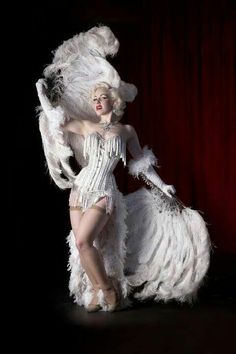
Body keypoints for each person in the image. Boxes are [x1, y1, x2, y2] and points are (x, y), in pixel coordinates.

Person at [36, 25, 210, 313]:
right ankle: (95, 291)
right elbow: (57, 119)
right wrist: (41, 94)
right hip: (80, 191)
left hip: (104, 191)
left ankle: (109, 290)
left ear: (112, 101)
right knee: (81, 248)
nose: (97, 102)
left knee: (84, 239)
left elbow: (140, 161)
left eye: (101, 98)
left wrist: (161, 184)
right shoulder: (86, 126)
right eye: (93, 100)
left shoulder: (126, 130)